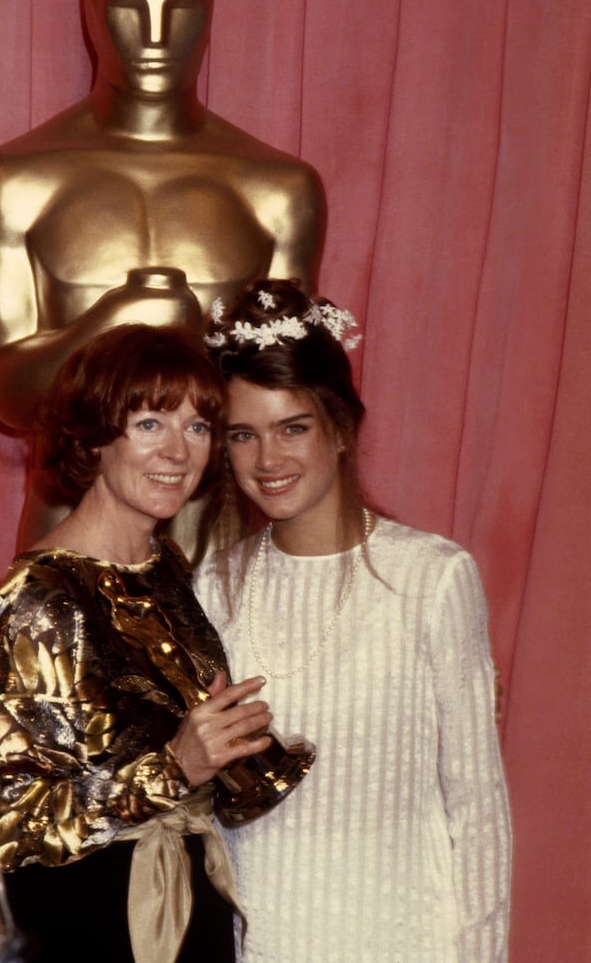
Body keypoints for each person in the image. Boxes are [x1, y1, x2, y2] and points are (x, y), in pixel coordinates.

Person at [0, 0, 325, 552]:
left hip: (220, 546)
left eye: (180, 9)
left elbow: (279, 394)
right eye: (129, 7)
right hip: (76, 541)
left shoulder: (278, 190)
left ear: (209, 15)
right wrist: (116, 320)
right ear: (91, 13)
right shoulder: (16, 180)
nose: (155, 36)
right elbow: (9, 396)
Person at [195, 280, 512, 963]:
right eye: (243, 436)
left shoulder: (433, 577)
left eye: (293, 428)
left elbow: (479, 812)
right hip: (266, 946)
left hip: (406, 942)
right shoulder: (214, 588)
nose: (268, 460)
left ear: (340, 429)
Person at [0, 323, 275, 963]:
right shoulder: (43, 599)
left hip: (182, 904)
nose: (179, 451)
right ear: (96, 436)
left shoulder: (163, 565)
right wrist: (171, 769)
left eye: (198, 427)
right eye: (151, 423)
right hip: (90, 928)